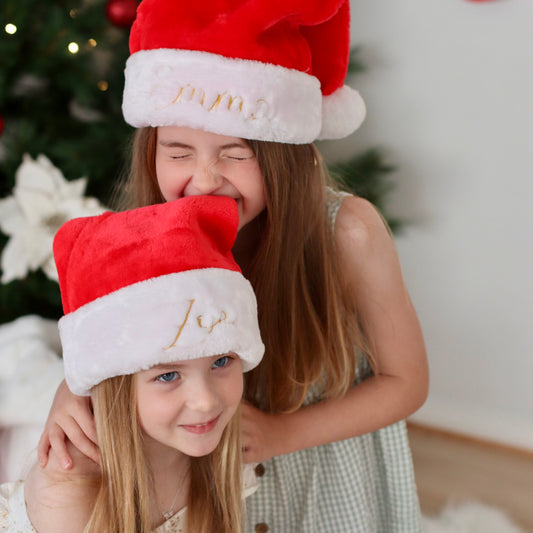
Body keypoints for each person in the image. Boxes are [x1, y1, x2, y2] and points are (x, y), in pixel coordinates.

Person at [36, 0, 429, 531]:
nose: (204, 180)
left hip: (326, 476)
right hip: (218, 481)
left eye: (236, 153)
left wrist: (282, 435)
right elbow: (114, 342)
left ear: (282, 153)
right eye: (178, 152)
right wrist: (72, 389)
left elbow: (406, 382)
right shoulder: (150, 236)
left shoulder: (347, 232)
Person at [1, 195, 264, 532]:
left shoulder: (218, 449)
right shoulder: (72, 486)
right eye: (168, 374)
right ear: (116, 382)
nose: (206, 401)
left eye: (221, 361)